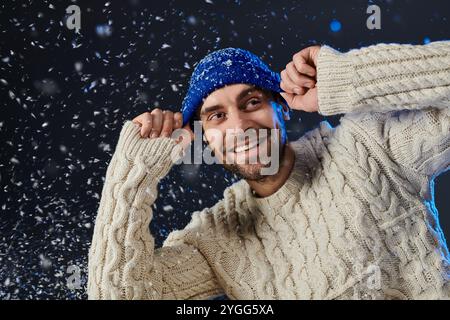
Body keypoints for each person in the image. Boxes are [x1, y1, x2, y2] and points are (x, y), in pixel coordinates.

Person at [88, 41, 449, 299]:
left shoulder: (370, 147)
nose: (241, 125)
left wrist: (350, 78)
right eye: (217, 116)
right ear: (204, 139)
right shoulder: (214, 242)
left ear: (283, 108)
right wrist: (132, 173)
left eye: (253, 102)